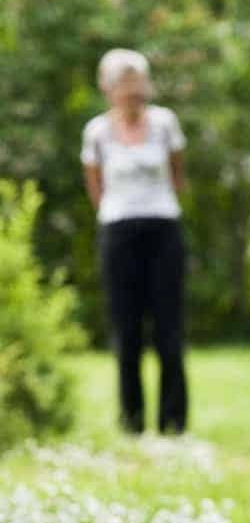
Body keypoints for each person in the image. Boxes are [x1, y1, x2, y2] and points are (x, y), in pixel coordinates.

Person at [82, 48, 190, 434]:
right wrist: (117, 212)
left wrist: (160, 204)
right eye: (127, 91)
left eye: (139, 90)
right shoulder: (96, 132)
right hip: (119, 231)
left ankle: (173, 421)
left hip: (163, 227)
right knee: (126, 330)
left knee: (169, 329)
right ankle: (132, 421)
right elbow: (95, 186)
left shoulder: (164, 124)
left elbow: (178, 175)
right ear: (108, 90)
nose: (135, 98)